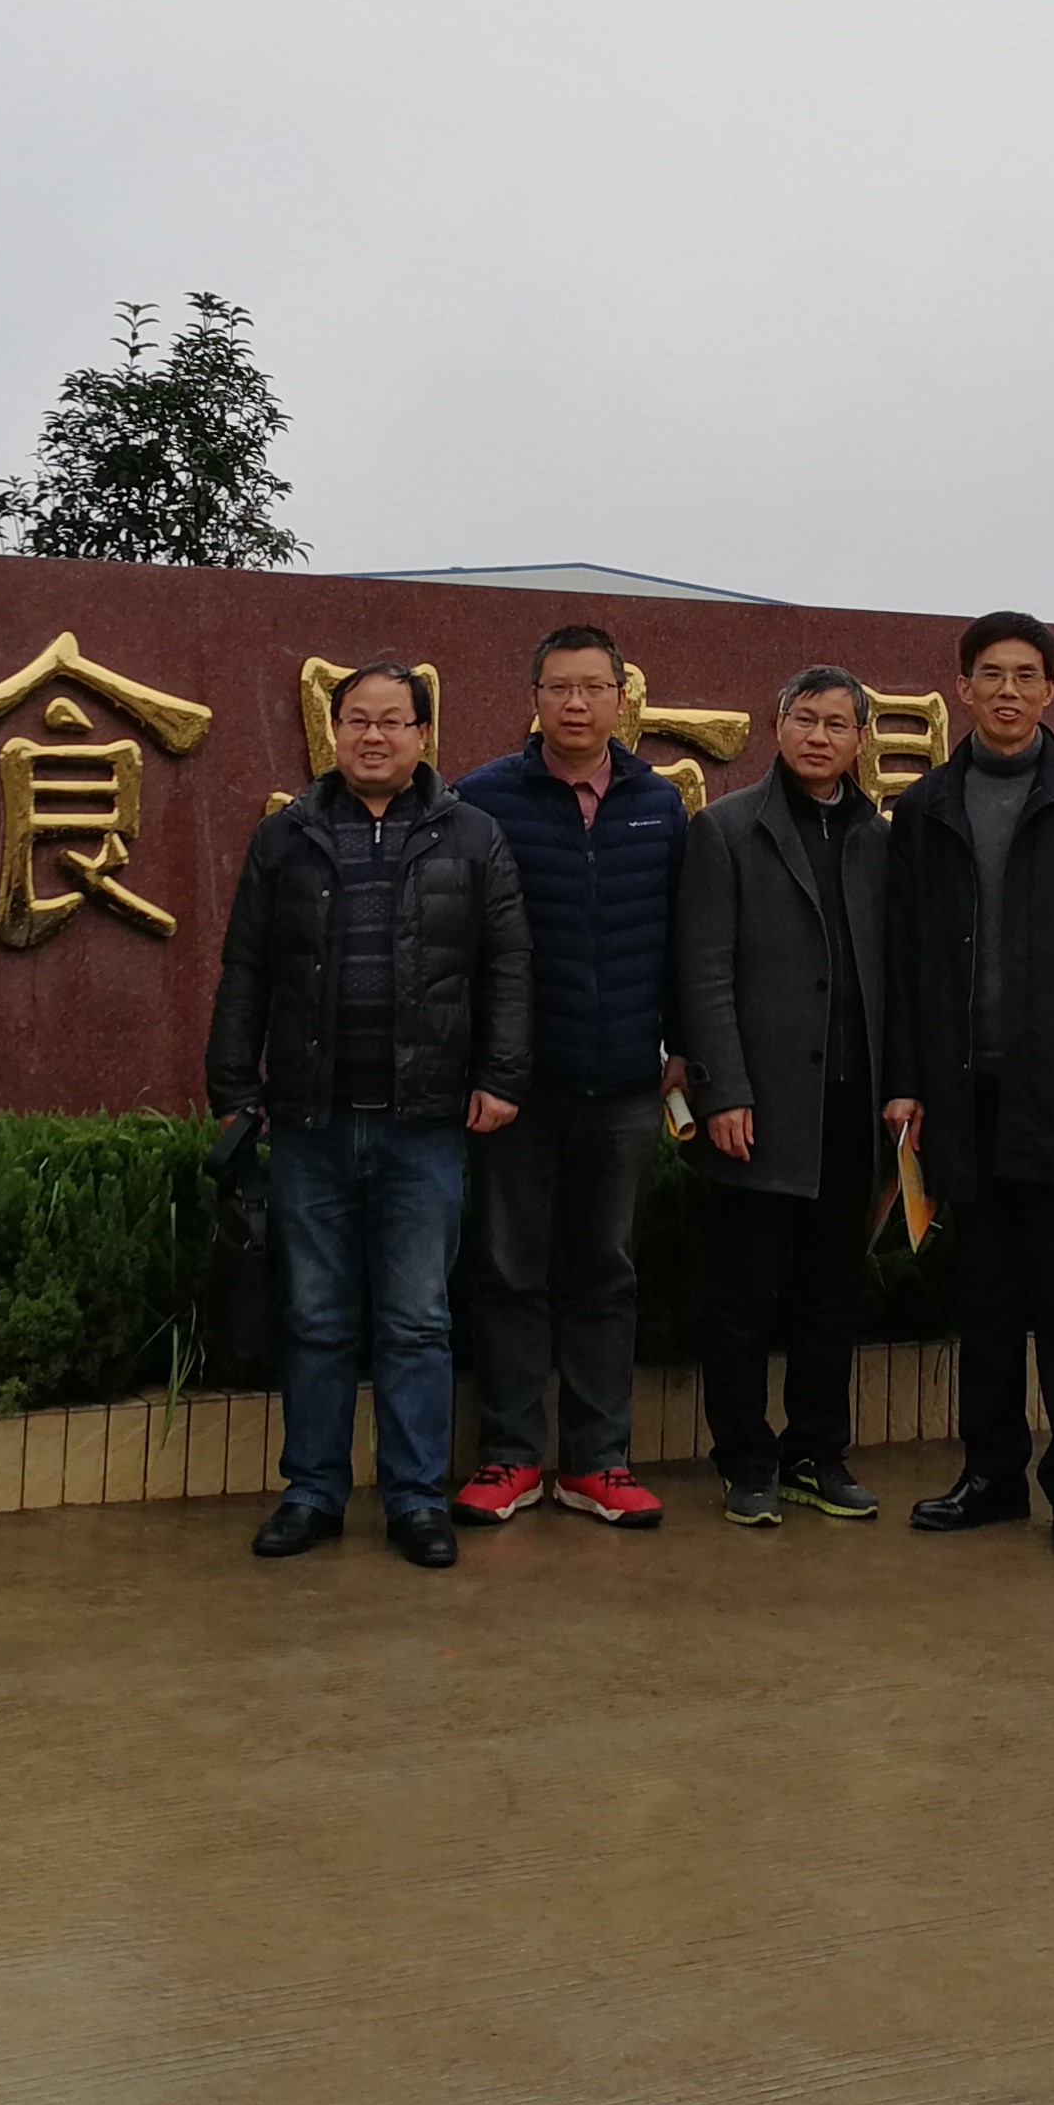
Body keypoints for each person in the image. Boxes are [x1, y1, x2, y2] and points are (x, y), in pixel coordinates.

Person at [205, 661, 531, 1570]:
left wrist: (502, 1076)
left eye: (393, 720)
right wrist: (234, 1089)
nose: (373, 736)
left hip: (423, 1123)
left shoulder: (474, 836)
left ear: (424, 734)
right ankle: (312, 1491)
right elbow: (245, 971)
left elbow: (508, 968)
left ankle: (414, 1499)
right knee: (314, 1316)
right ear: (333, 730)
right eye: (357, 719)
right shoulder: (286, 837)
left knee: (418, 1320)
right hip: (310, 1120)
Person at [882, 613, 1054, 1565]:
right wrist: (906, 1084)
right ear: (962, 687)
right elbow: (907, 955)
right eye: (990, 674)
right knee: (987, 1306)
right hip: (966, 1094)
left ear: (1050, 691)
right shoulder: (925, 806)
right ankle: (991, 1476)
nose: (1008, 691)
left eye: (1026, 675)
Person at [448, 623, 691, 1530]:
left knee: (605, 1272)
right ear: (534, 698)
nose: (577, 704)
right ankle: (511, 1456)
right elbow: (461, 945)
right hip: (517, 1085)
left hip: (625, 1081)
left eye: (594, 688)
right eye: (559, 688)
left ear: (623, 697)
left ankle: (598, 1462)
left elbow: (682, 938)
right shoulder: (483, 800)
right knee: (507, 1269)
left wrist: (679, 1047)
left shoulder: (658, 804)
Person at [675, 666, 891, 1529]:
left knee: (831, 1295)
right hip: (757, 1106)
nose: (819, 737)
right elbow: (703, 972)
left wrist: (903, 1095)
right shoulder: (726, 830)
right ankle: (745, 1459)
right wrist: (723, 1088)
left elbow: (903, 976)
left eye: (837, 724)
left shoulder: (881, 840)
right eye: (805, 719)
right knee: (744, 1296)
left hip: (853, 1106)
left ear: (861, 740)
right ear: (778, 724)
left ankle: (816, 1454)